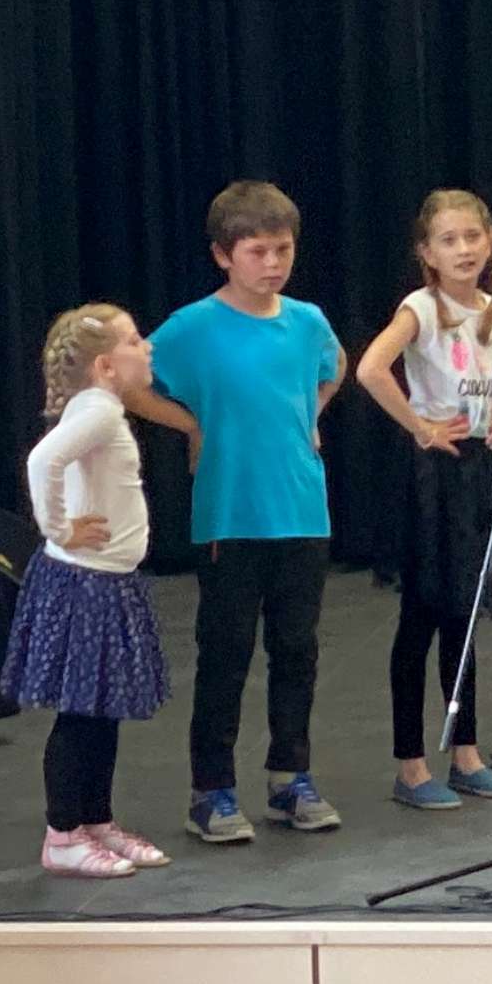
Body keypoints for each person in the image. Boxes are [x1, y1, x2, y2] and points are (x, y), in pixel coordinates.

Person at [135, 180, 347, 843]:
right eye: (258, 251)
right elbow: (133, 381)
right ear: (224, 255)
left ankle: (290, 776)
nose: (273, 263)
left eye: (283, 249)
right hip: (230, 513)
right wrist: (190, 424)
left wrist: (310, 412)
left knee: (296, 649)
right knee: (226, 652)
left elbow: (334, 366)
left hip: (302, 510)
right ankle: (211, 789)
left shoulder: (307, 320)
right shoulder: (193, 326)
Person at [351, 189, 492, 811]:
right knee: (421, 616)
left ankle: (466, 753)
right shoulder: (421, 309)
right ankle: (411, 765)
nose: (464, 249)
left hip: (477, 469)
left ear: (490, 241)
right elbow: (371, 369)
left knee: (464, 615)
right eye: (449, 240)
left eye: (473, 237)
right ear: (427, 252)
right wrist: (421, 427)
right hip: (431, 475)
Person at [4, 305, 173, 878]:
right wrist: (59, 529)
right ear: (105, 365)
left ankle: (95, 820)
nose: (147, 347)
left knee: (102, 709)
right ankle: (63, 834)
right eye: (134, 341)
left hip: (106, 582)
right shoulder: (99, 411)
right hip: (86, 584)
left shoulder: (101, 409)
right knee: (81, 714)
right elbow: (42, 460)